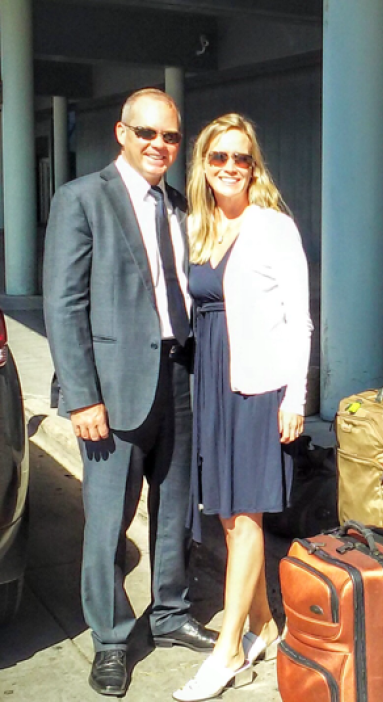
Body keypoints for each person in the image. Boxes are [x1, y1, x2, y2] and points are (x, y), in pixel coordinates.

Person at [43, 88, 218, 698]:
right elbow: (64, 305)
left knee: (176, 510)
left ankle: (169, 613)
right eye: (147, 133)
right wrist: (82, 395)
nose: (159, 146)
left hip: (179, 377)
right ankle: (111, 637)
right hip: (113, 392)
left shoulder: (177, 204)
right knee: (107, 521)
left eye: (170, 137)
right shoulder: (82, 199)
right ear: (122, 133)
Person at [172, 114, 312, 702]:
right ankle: (265, 626)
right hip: (212, 383)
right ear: (203, 165)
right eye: (218, 157)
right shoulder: (199, 228)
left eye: (241, 158)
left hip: (257, 389)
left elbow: (300, 319)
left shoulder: (274, 227)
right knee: (227, 517)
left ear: (255, 167)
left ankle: (228, 651)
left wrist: (295, 398)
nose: (230, 167)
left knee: (245, 518)